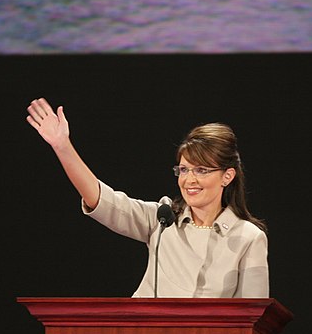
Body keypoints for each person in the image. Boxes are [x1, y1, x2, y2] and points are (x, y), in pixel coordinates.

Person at [26, 97, 269, 298]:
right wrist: (62, 146)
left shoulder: (248, 237)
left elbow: (253, 322)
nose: (189, 179)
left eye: (202, 170)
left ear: (227, 176)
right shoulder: (162, 220)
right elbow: (101, 199)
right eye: (183, 170)